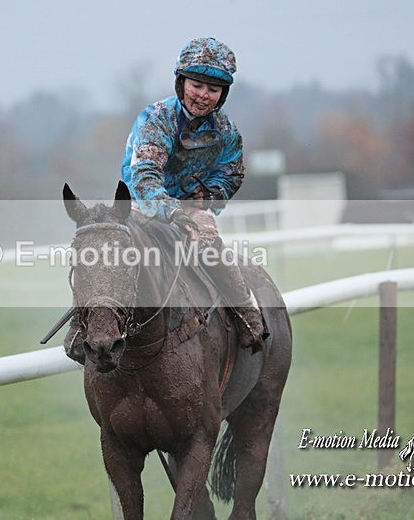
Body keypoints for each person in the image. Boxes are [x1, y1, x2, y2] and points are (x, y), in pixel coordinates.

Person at [64, 37, 265, 363]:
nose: (203, 95)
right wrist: (173, 212)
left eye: (213, 90)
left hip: (191, 207)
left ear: (222, 94)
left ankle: (247, 315)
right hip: (141, 204)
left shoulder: (227, 130)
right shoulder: (156, 119)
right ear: (181, 82)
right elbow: (145, 177)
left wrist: (208, 197)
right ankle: (79, 326)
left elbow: (233, 172)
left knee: (208, 242)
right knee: (105, 255)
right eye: (197, 84)